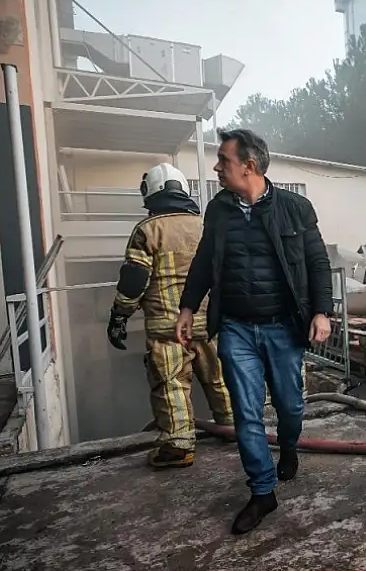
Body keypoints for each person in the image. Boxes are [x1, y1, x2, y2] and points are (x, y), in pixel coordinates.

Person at [176, 128, 333, 535]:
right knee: (246, 413)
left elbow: (317, 263)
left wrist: (322, 312)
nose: (216, 166)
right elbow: (204, 260)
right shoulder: (218, 210)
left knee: (290, 407)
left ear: (249, 166)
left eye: (223, 160)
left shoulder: (295, 208)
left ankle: (290, 446)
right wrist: (188, 307)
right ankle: (262, 491)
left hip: (284, 328)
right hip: (236, 328)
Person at [107, 163, 233, 468]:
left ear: (149, 194)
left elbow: (135, 280)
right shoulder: (207, 225)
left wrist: (119, 316)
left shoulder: (148, 230)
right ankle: (235, 429)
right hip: (213, 324)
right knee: (223, 380)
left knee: (171, 385)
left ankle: (177, 445)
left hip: (168, 330)